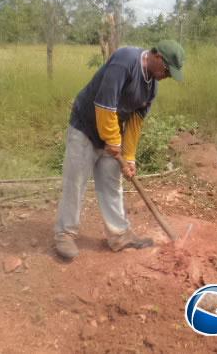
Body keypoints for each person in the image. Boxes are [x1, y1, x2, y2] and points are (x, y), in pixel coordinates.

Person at [54, 40, 185, 260]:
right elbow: (104, 104)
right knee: (75, 182)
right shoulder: (125, 60)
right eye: (167, 71)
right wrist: (113, 141)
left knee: (112, 184)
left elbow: (135, 123)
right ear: (158, 58)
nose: (167, 76)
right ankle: (64, 234)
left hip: (110, 135)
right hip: (85, 127)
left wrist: (129, 156)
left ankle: (119, 236)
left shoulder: (151, 87)